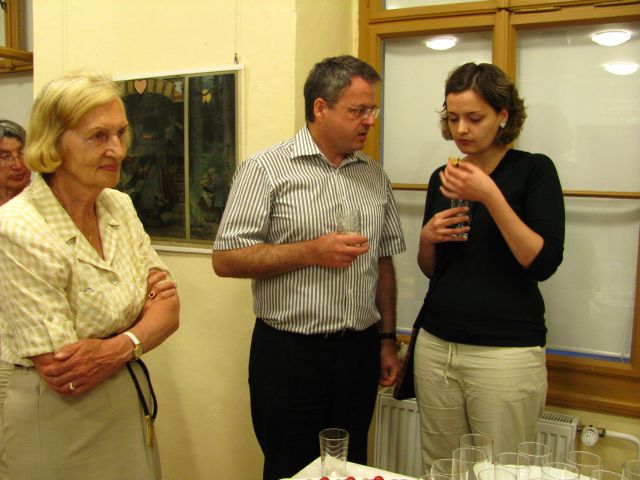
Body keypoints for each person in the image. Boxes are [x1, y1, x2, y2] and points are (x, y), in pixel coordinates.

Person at [212, 55, 406, 480]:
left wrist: (386, 340)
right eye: (358, 110)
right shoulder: (265, 169)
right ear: (321, 108)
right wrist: (311, 252)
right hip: (290, 355)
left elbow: (383, 261)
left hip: (358, 352)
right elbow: (226, 259)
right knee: (291, 468)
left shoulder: (374, 175)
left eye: (372, 110)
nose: (369, 121)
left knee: (349, 468)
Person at [0, 71, 180, 480]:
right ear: (53, 143)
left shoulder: (118, 206)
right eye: (98, 136)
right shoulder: (17, 227)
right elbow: (63, 368)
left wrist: (115, 346)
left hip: (127, 400)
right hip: (57, 416)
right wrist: (140, 320)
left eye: (120, 133)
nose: (117, 150)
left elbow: (169, 308)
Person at [413, 62, 565, 466]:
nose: (461, 129)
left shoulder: (534, 170)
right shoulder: (443, 176)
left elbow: (544, 262)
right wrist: (427, 238)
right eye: (453, 118)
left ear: (503, 116)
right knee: (441, 467)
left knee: (501, 469)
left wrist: (490, 195)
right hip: (437, 345)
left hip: (505, 351)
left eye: (474, 118)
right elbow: (432, 270)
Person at [0, 119, 31, 477]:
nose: (17, 164)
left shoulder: (41, 210)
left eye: (21, 153)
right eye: (5, 156)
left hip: (26, 352)